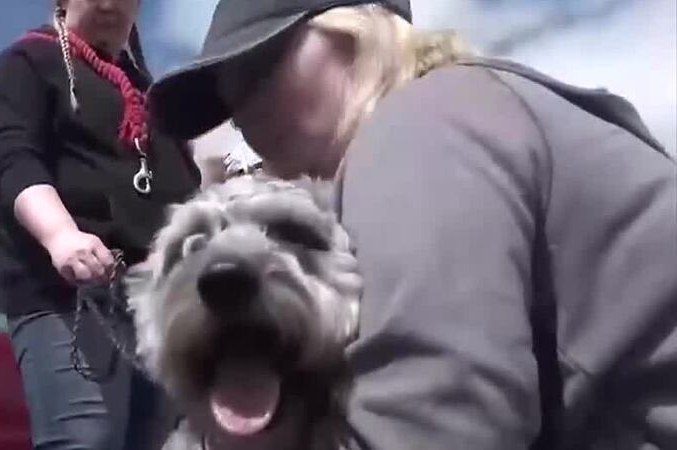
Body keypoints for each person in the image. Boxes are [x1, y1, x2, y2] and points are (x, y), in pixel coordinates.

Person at [147, 0, 677, 448]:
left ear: (354, 35)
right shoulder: (469, 112)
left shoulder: (420, 127)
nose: (240, 108)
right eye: (227, 97)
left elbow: (438, 422)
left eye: (260, 66)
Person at [0, 0, 200, 449]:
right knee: (86, 438)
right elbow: (11, 157)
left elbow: (184, 188)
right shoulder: (27, 64)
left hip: (156, 305)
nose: (111, 3)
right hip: (68, 302)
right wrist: (61, 235)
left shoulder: (150, 95)